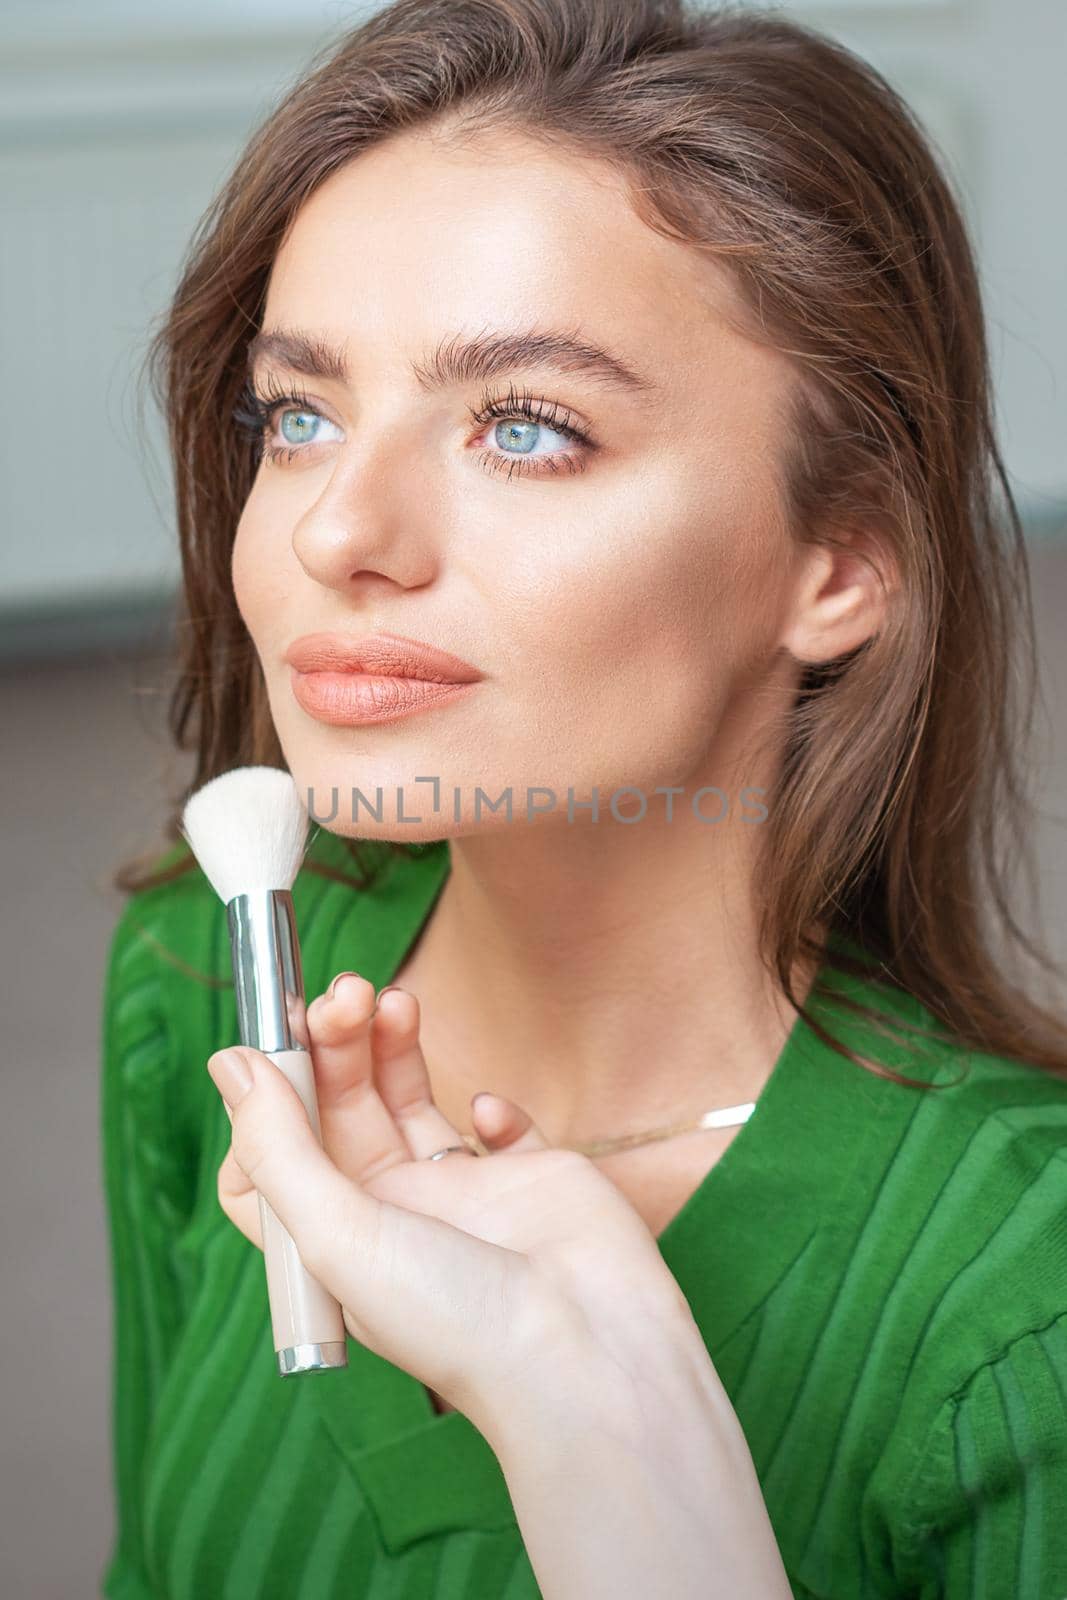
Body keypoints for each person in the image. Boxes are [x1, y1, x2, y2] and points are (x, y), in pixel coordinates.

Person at [101, 1, 1067, 1595]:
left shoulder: (1020, 1304)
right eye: (299, 414)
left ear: (843, 564)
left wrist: (609, 1448)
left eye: (528, 428)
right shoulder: (201, 990)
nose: (343, 529)